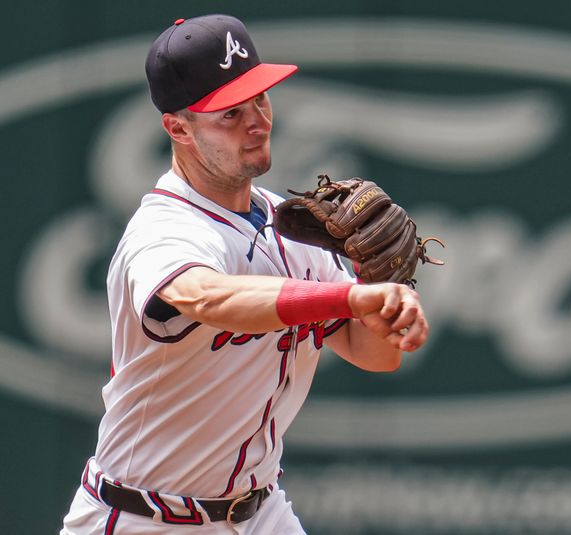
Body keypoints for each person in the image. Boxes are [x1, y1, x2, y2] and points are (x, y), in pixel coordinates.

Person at [61, 14, 428, 535]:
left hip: (259, 513)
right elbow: (208, 297)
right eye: (230, 113)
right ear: (177, 127)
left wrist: (378, 292)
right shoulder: (164, 228)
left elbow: (375, 355)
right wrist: (345, 300)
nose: (256, 120)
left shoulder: (291, 226)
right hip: (144, 517)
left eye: (260, 98)